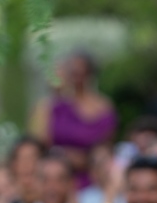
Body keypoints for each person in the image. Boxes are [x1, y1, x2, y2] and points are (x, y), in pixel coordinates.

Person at [30, 51, 117, 188]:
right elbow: (38, 142)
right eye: (72, 71)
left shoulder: (103, 107)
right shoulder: (52, 107)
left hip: (92, 179)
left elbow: (106, 147)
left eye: (81, 71)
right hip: (56, 178)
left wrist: (85, 160)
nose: (77, 75)